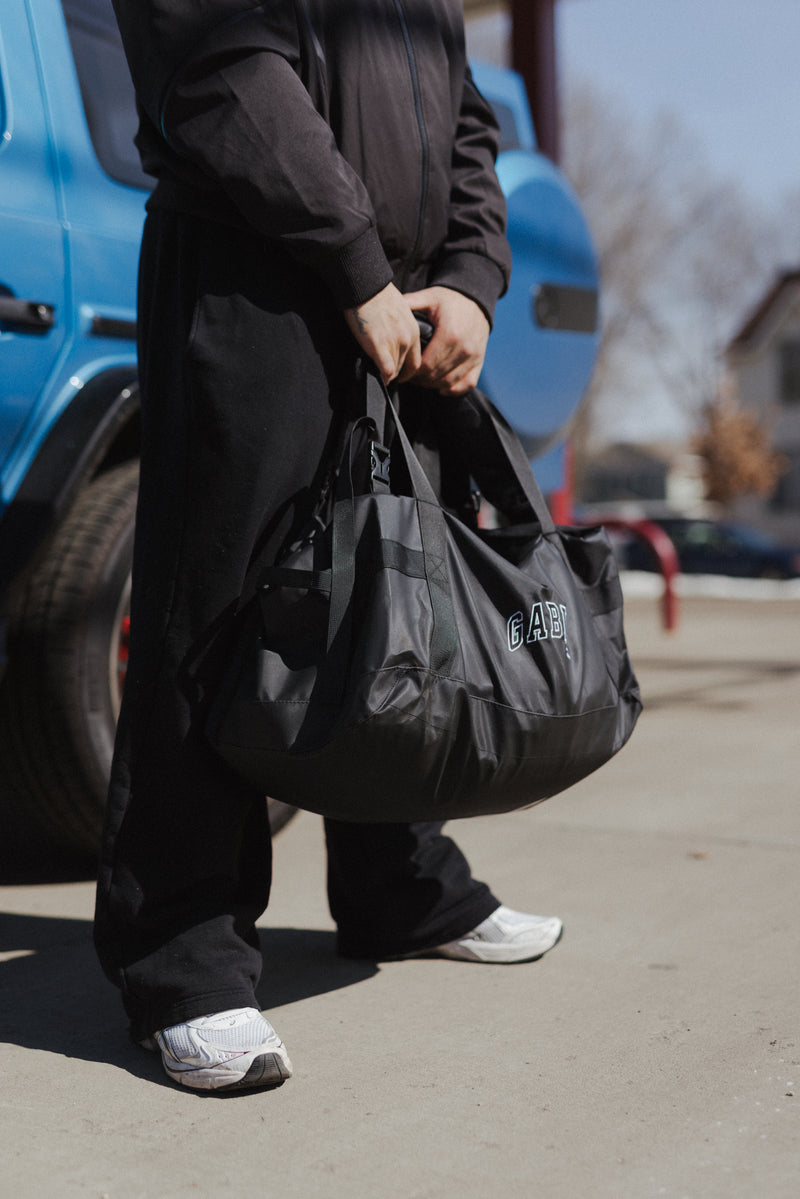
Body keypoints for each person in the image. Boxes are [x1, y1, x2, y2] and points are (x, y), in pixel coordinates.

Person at [95, 0, 563, 1093]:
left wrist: (472, 283)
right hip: (253, 275)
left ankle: (399, 887)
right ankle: (183, 958)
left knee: (400, 601)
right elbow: (221, 69)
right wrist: (355, 263)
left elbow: (464, 125)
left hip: (409, 307)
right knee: (219, 608)